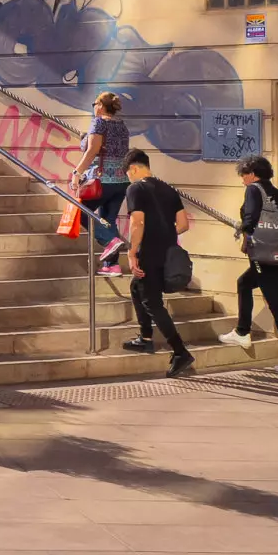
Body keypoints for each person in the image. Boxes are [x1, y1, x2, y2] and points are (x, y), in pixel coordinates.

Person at [116, 148, 195, 376]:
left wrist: (132, 252)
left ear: (133, 169)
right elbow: (183, 224)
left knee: (152, 302)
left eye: (128, 174)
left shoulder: (135, 188)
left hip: (148, 252)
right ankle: (146, 337)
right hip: (167, 251)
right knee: (136, 287)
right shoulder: (168, 189)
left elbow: (137, 223)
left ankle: (180, 351)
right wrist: (164, 233)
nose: (129, 178)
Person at [232, 153, 278, 370]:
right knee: (244, 283)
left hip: (264, 258)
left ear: (252, 174)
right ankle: (242, 331)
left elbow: (251, 218)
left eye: (244, 175)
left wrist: (242, 230)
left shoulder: (253, 190)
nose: (243, 180)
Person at [71, 90, 132, 271]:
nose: (94, 107)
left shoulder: (98, 123)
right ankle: (112, 266)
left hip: (102, 179)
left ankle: (109, 241)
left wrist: (77, 173)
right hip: (121, 181)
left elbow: (92, 151)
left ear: (101, 106)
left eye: (95, 104)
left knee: (80, 211)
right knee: (108, 220)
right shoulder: (122, 126)